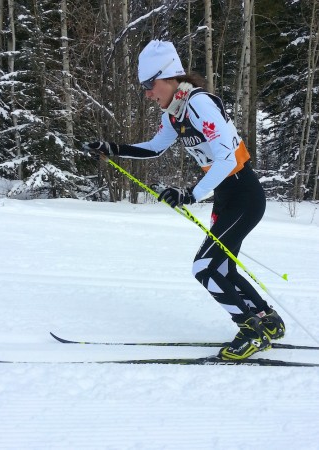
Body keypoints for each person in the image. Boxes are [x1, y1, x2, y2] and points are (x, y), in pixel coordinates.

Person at [83, 40, 285, 360]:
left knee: (204, 267)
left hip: (244, 194)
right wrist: (112, 148)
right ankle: (267, 321)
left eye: (150, 85)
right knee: (222, 268)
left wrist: (190, 194)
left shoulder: (198, 103)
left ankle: (251, 330)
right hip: (227, 196)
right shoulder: (175, 111)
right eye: (144, 87)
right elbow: (155, 148)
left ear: (168, 77)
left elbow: (228, 158)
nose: (148, 93)